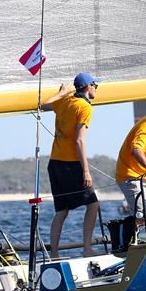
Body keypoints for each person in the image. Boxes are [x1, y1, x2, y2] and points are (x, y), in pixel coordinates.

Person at [42, 72, 101, 258]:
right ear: (87, 87)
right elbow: (79, 141)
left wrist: (62, 93)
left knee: (61, 211)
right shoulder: (84, 107)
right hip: (70, 164)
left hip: (54, 164)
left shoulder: (65, 101)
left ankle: (54, 254)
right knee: (93, 205)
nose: (96, 89)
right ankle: (87, 248)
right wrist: (86, 171)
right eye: (95, 85)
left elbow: (43, 105)